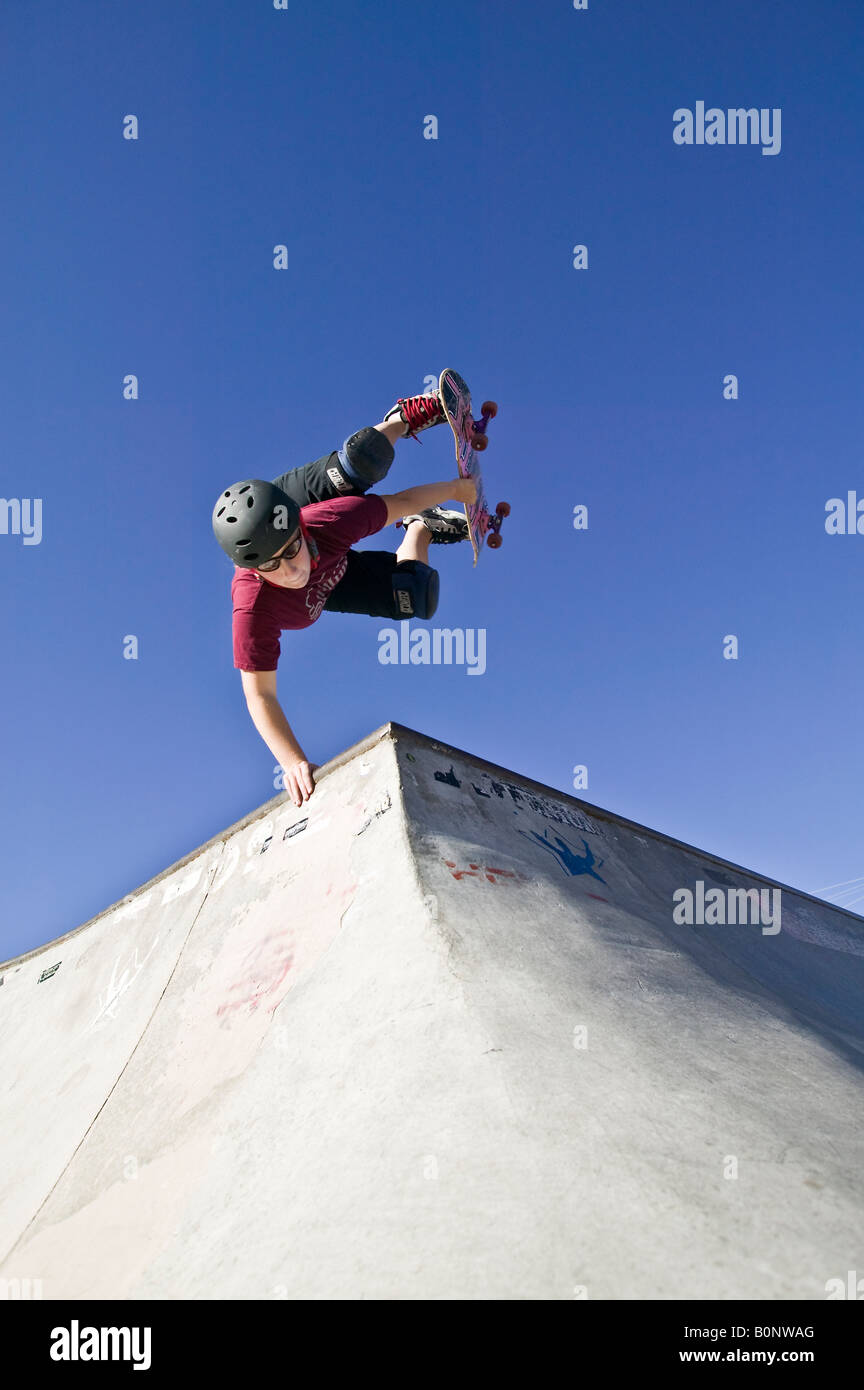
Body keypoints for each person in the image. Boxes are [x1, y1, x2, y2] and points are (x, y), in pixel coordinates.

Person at [212, 387, 476, 807]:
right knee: (417, 596)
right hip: (333, 579)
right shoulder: (253, 609)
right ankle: (421, 528)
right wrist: (292, 760)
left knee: (362, 462)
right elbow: (259, 694)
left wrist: (455, 488)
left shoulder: (330, 520)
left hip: (289, 507)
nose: (290, 569)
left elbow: (398, 498)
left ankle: (401, 417)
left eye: (291, 552)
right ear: (254, 571)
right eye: (273, 566)